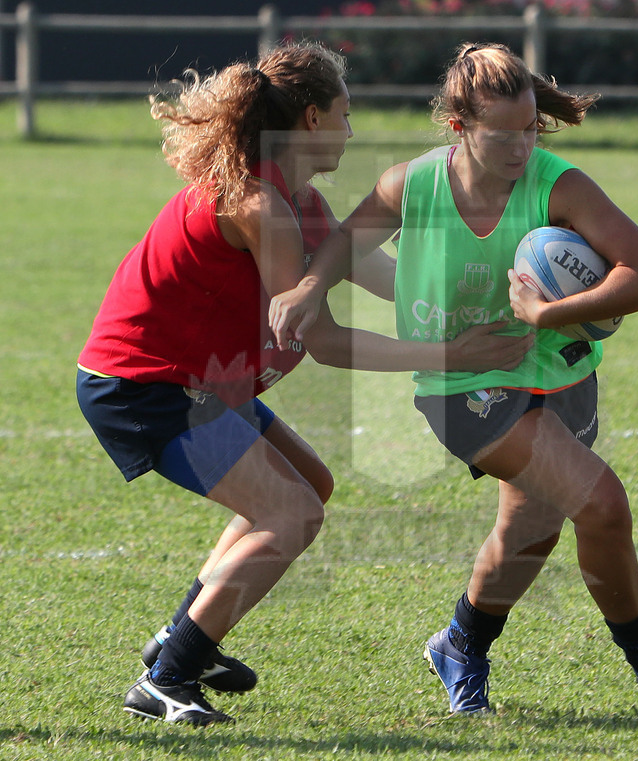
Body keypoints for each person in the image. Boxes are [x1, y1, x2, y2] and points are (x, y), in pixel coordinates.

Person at [267, 42, 638, 715]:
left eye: (529, 129)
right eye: (502, 134)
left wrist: (555, 310)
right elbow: (345, 239)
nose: (521, 147)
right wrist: (312, 285)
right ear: (459, 128)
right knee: (602, 503)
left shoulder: (558, 184)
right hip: (462, 386)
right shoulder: (414, 185)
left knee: (531, 529)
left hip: (560, 372)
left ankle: (460, 644)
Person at [76, 42, 532, 726]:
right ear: (313, 120)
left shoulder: (297, 200)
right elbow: (323, 343)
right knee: (292, 513)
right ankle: (168, 680)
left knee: (307, 485)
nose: (352, 130)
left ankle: (182, 638)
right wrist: (449, 352)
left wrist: (499, 289)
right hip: (143, 383)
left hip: (194, 384)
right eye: (346, 114)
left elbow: (395, 279)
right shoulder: (261, 203)